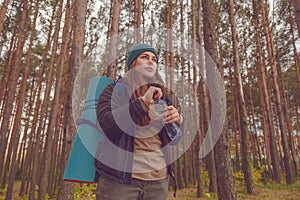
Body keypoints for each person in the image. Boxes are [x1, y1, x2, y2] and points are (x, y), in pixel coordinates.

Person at [95, 43, 183, 200]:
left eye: (154, 59)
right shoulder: (114, 91)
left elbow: (174, 141)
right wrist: (141, 104)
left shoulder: (162, 97)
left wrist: (178, 120)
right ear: (132, 63)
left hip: (158, 182)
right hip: (119, 182)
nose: (151, 62)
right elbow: (106, 125)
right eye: (144, 57)